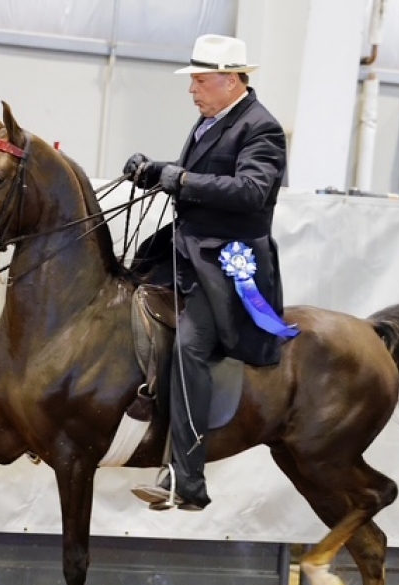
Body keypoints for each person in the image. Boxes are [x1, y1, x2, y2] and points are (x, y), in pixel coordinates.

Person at [124, 34, 291, 511]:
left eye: (200, 80)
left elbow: (250, 191)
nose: (192, 89)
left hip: (229, 263)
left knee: (190, 347)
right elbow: (190, 176)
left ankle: (188, 479)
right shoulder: (209, 121)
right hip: (186, 247)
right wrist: (155, 170)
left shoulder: (263, 128)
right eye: (193, 80)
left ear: (232, 79)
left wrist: (181, 179)